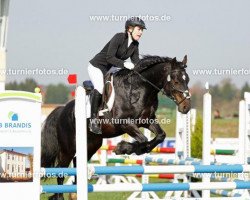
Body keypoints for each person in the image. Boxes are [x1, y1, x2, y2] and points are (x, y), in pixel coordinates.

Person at [88, 17, 146, 134]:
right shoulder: (119, 37)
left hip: (112, 67)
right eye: (139, 29)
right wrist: (124, 64)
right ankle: (93, 120)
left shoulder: (135, 45)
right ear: (130, 29)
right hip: (97, 66)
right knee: (99, 87)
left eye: (142, 30)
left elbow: (136, 63)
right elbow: (110, 57)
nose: (141, 32)